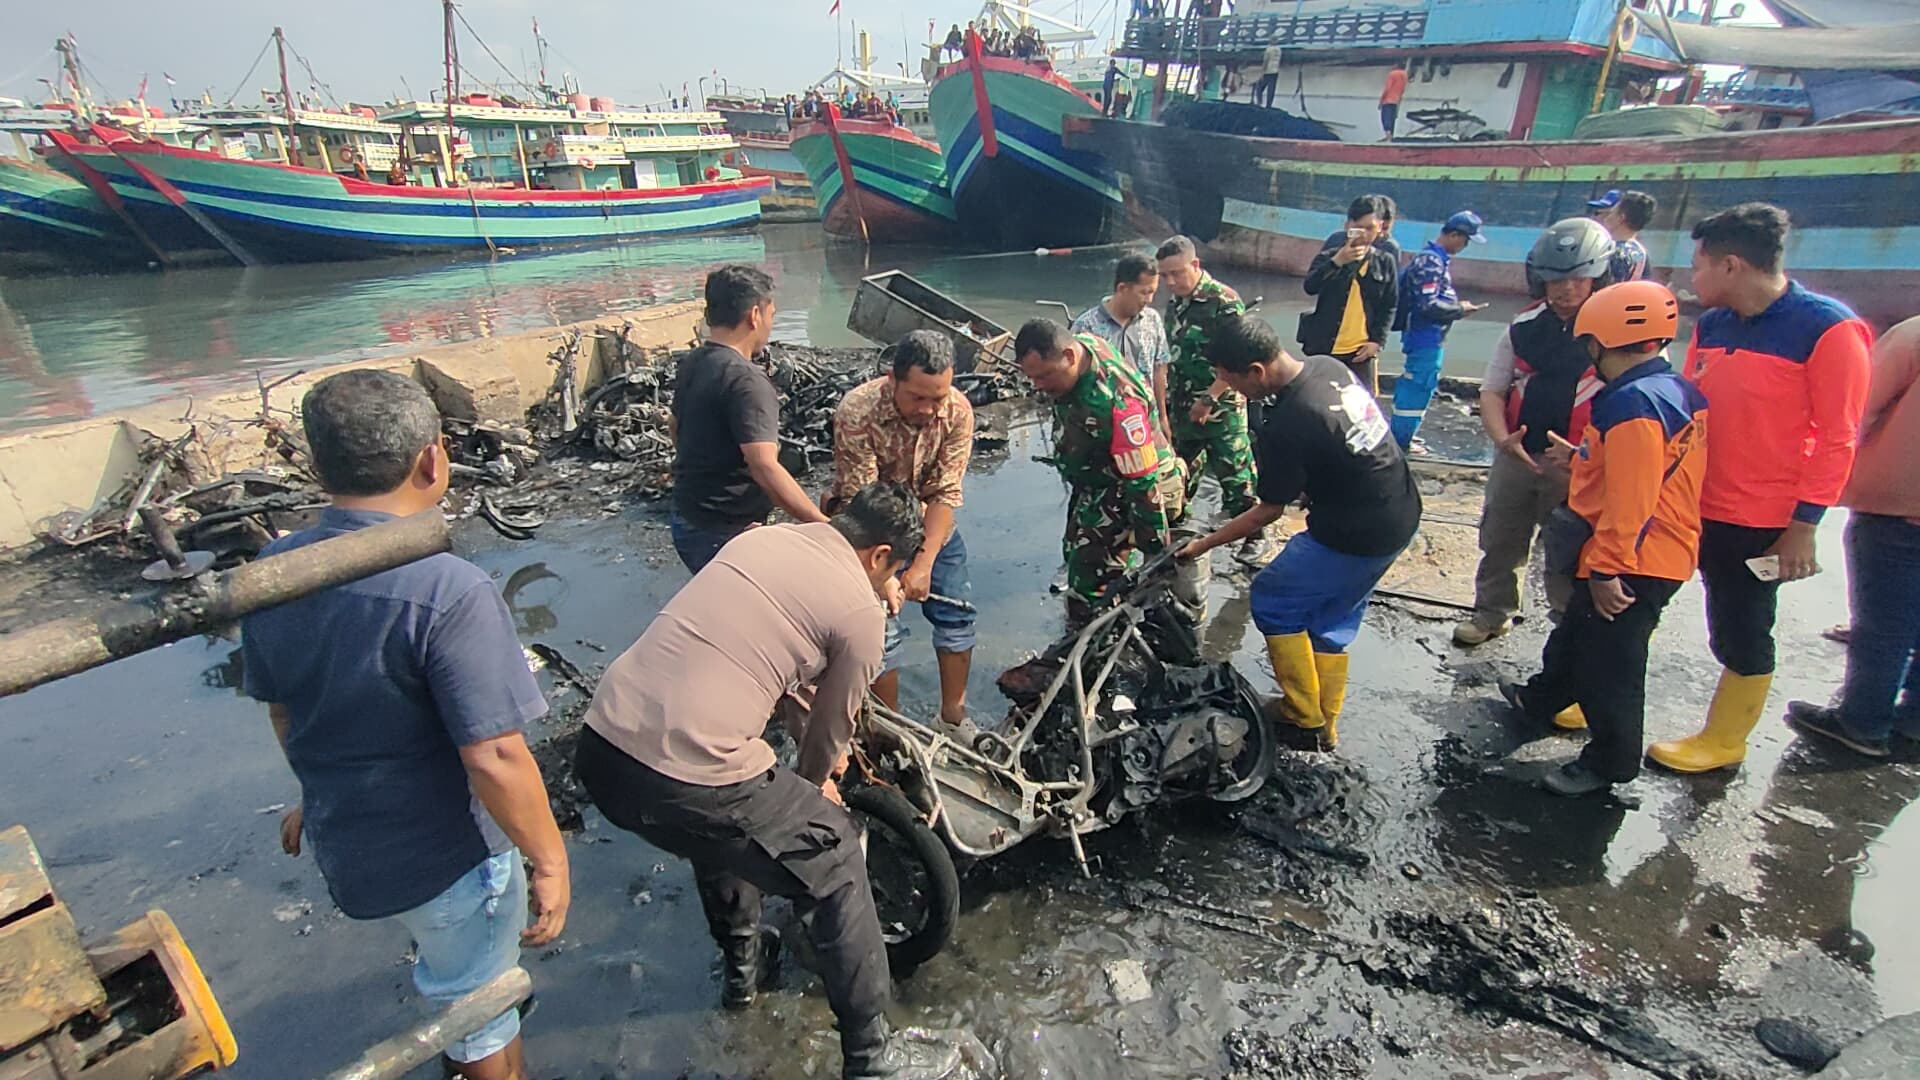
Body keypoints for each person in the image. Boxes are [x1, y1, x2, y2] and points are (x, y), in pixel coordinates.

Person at [575, 484, 966, 1080]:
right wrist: (812, 790)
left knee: (723, 827)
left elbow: (775, 658)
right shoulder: (861, 614)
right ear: (880, 555)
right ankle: (873, 1058)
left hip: (604, 747)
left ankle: (744, 968)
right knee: (832, 859)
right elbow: (832, 729)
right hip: (689, 774)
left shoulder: (760, 540)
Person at [243, 370, 570, 1080]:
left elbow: (286, 708)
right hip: (447, 857)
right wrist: (549, 858)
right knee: (477, 1007)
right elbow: (494, 755)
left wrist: (315, 791)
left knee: (454, 970)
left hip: (349, 842)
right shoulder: (449, 590)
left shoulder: (272, 571)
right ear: (433, 459)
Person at [1648, 203, 1873, 773]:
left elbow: (1838, 439)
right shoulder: (1714, 325)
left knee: (1743, 621)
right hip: (1690, 500)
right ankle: (1588, 688)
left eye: (1697, 266)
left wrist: (1803, 529)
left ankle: (1725, 737)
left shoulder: (1828, 329)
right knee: (1634, 595)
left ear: (1730, 266)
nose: (1690, 279)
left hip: (1760, 520)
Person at [1499, 282, 1708, 796]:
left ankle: (1610, 762)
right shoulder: (1672, 391)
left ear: (1602, 340)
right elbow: (1643, 468)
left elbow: (1633, 498)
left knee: (1610, 665)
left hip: (1636, 556)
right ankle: (1541, 699)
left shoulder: (1635, 404)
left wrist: (1609, 569)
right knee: (1575, 634)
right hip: (1646, 546)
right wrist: (1584, 460)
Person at [1179, 315, 1422, 751]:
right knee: (1331, 618)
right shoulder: (1328, 367)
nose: (1233, 392)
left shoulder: (1288, 422)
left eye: (1232, 382)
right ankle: (1326, 725)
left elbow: (1267, 511)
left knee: (1274, 596)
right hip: (1400, 510)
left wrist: (1201, 545)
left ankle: (1301, 715)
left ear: (1257, 371)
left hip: (1355, 532)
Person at [1453, 217, 1616, 657]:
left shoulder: (1615, 329)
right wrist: (1503, 438)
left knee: (1568, 548)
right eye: (1555, 280)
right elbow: (1493, 388)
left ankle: (1569, 630)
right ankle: (1492, 613)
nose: (1565, 290)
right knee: (1501, 536)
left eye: (1577, 279)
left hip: (1580, 462)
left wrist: (1588, 456)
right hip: (1518, 454)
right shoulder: (1524, 325)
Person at [1786, 316, 1920, 758]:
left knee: (1882, 625)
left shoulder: (1913, 336)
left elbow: (1858, 409)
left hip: (1897, 508)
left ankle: (1861, 722)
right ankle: (1914, 719)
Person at [829, 332, 977, 727]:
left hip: (931, 521)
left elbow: (947, 491)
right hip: (869, 528)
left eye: (938, 397)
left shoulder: (959, 412)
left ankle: (954, 719)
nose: (929, 409)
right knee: (879, 630)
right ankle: (889, 730)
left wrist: (924, 563)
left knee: (957, 616)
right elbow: (864, 502)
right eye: (917, 397)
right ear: (892, 380)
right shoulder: (858, 411)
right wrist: (886, 576)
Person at [1015, 318, 1186, 623]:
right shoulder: (1082, 344)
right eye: (1032, 378)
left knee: (1089, 578)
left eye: (1043, 377)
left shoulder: (1117, 402)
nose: (1037, 386)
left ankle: (1098, 636)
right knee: (1074, 550)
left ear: (1069, 357)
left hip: (1130, 484)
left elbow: (1143, 484)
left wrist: (1155, 553)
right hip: (1098, 478)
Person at [671, 265, 827, 572]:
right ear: (755, 315)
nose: (771, 323)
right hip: (725, 530)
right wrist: (822, 525)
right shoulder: (746, 381)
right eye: (772, 314)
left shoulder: (693, 361)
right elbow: (765, 466)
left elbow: (674, 427)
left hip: (685, 517)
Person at [1158, 235, 1271, 564]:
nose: (1170, 281)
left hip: (1219, 406)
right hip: (1182, 404)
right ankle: (1177, 530)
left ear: (1195, 265)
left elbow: (1241, 357)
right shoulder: (1176, 302)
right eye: (1164, 275)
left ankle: (1255, 535)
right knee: (1179, 471)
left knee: (1235, 474)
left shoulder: (1223, 301)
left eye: (1176, 273)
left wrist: (1209, 398)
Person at [1390, 210, 1488, 450]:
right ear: (1454, 235)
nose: (1465, 246)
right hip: (1424, 336)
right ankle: (1400, 440)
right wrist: (1459, 309)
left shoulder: (1436, 260)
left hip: (1430, 337)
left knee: (1422, 384)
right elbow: (1428, 304)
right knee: (1418, 385)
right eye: (1465, 240)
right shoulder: (1431, 262)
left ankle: (1405, 434)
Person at [1299, 195, 1399, 396]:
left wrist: (1377, 341)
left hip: (1360, 353)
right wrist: (1337, 262)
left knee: (1363, 408)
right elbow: (1310, 286)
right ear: (1347, 226)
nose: (1363, 234)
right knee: (1317, 402)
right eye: (1358, 227)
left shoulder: (1385, 261)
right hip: (1325, 349)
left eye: (1370, 228)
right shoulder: (1330, 256)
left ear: (1380, 227)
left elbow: (1390, 304)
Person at [1072, 252, 1173, 444]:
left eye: (1153, 292)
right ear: (1122, 288)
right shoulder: (1086, 327)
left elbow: (1159, 369)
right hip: (1103, 427)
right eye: (1144, 292)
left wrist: (1162, 417)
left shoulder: (1152, 320)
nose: (1149, 299)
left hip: (1145, 422)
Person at [1590, 189, 1657, 283]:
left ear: (1621, 218)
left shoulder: (1612, 253)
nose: (1607, 218)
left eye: (1612, 212)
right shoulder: (1643, 255)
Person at [1380, 62, 1409, 140]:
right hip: (1396, 100)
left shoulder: (1392, 74)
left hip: (1388, 100)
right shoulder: (1405, 74)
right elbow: (1403, 89)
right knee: (1392, 119)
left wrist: (1381, 100)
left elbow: (1387, 88)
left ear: (1396, 65)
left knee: (1385, 119)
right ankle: (1391, 137)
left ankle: (1388, 138)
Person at [1255, 43, 1281, 108]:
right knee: (1271, 89)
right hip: (1275, 71)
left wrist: (1262, 72)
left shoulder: (1269, 50)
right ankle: (1269, 105)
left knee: (1259, 86)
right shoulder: (1279, 50)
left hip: (1268, 71)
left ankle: (1259, 102)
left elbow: (1266, 61)